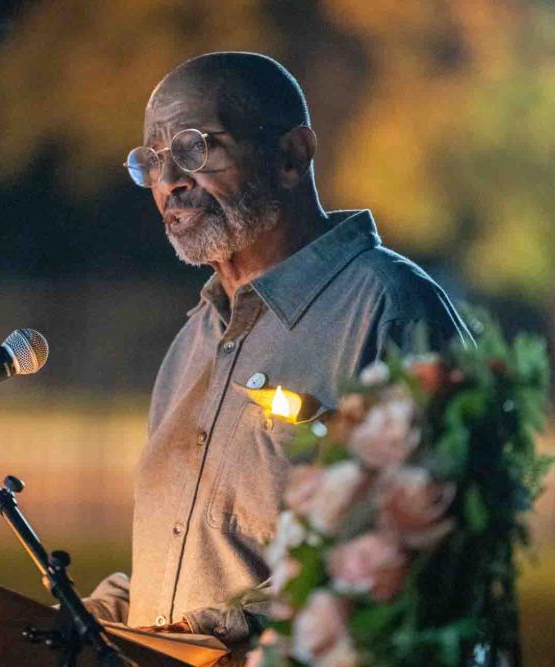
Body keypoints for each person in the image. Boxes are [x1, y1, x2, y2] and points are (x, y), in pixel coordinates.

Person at [84, 52, 471, 651]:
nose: (169, 181)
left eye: (193, 149)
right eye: (152, 163)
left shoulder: (390, 310)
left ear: (291, 156)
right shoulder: (194, 340)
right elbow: (207, 561)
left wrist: (244, 625)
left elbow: (432, 546)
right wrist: (105, 611)